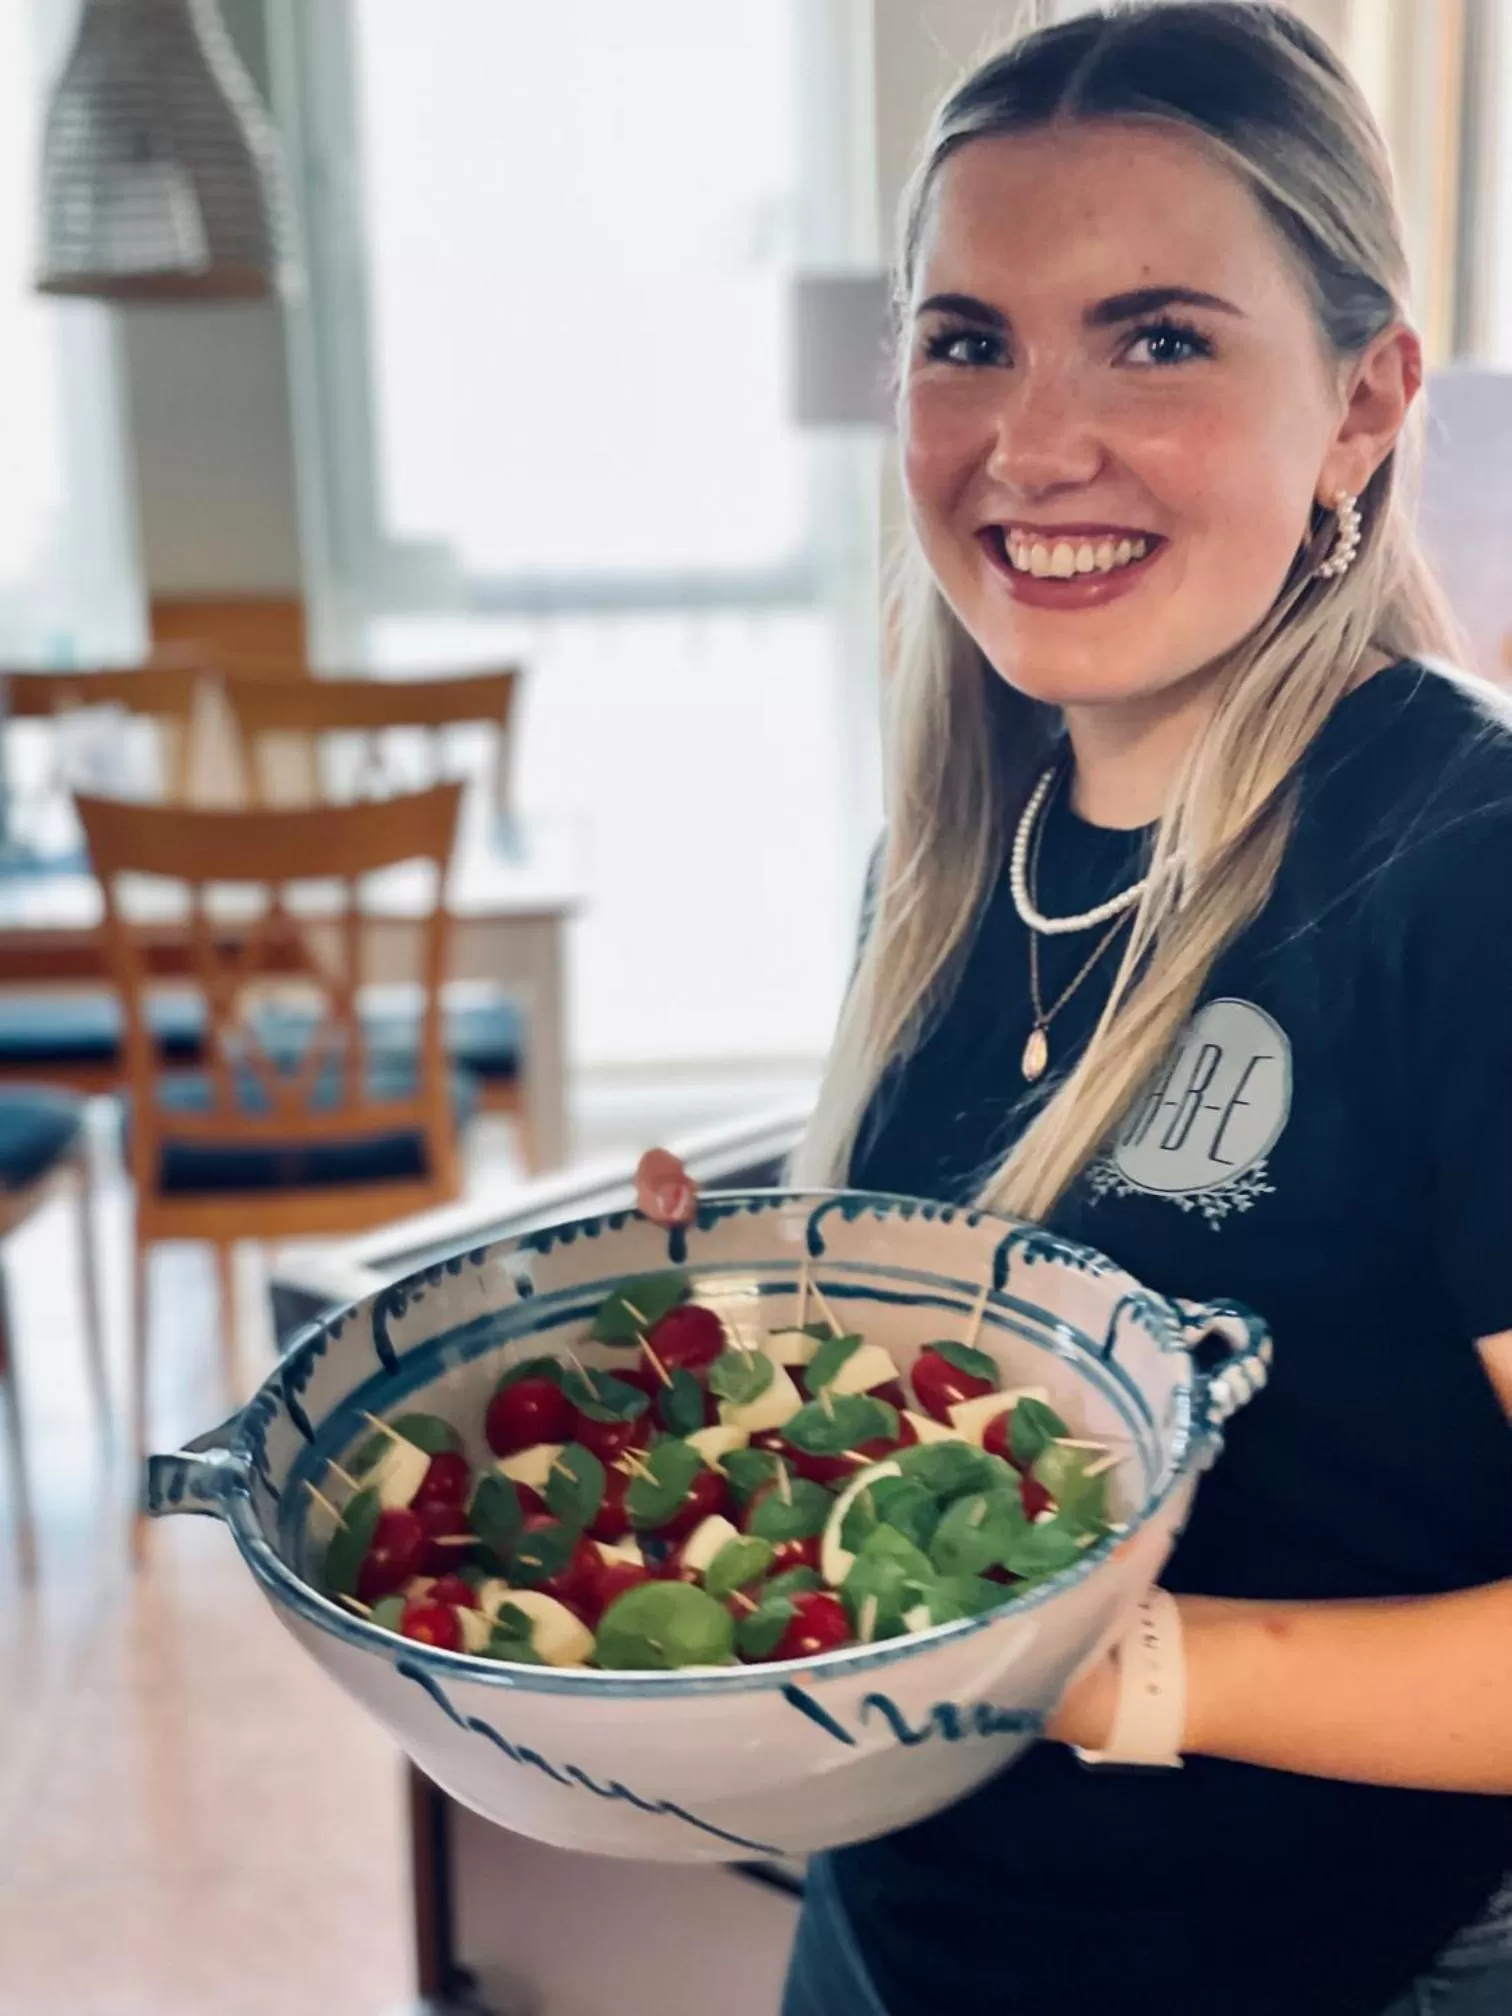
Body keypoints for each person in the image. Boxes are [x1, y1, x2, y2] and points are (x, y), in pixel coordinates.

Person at [636, 7, 1512, 2013]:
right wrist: (765, 1295)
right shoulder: (950, 859)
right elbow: (1035, 1318)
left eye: (1160, 338)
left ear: (1366, 402)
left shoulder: (1470, 872)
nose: (1033, 445)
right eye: (968, 342)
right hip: (895, 1944)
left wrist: (1097, 1665)